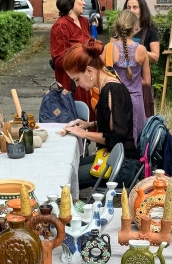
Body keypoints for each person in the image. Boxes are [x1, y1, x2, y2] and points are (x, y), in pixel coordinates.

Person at [63, 39, 140, 190]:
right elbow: (115, 124)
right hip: (116, 158)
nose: (77, 85)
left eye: (77, 79)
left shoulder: (111, 90)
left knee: (67, 177)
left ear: (89, 70)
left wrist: (83, 134)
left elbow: (116, 136)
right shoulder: (108, 83)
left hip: (123, 165)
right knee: (69, 166)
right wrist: (88, 125)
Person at [106, 10, 150, 142]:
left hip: (115, 100)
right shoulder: (141, 50)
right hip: (135, 100)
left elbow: (103, 77)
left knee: (117, 138)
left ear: (117, 28)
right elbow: (147, 81)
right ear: (134, 28)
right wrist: (134, 82)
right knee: (136, 140)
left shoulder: (108, 49)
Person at [51, 0, 94, 120]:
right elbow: (59, 57)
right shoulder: (61, 25)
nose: (84, 3)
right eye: (81, 0)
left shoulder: (84, 21)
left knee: (89, 114)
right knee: (73, 115)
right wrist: (82, 59)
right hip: (71, 81)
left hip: (88, 77)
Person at [124, 0, 159, 118]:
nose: (131, 10)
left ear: (142, 10)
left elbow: (155, 57)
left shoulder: (151, 31)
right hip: (123, 80)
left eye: (135, 7)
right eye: (128, 7)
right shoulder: (120, 31)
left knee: (143, 115)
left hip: (142, 80)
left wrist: (140, 50)